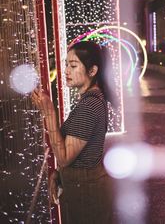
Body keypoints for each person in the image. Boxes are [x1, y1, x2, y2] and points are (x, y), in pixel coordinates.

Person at [31, 41, 115, 224]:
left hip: (86, 189)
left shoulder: (89, 106)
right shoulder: (90, 100)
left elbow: (64, 157)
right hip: (83, 184)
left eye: (73, 65)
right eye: (66, 64)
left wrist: (49, 113)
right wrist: (60, 174)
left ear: (92, 71)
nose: (66, 70)